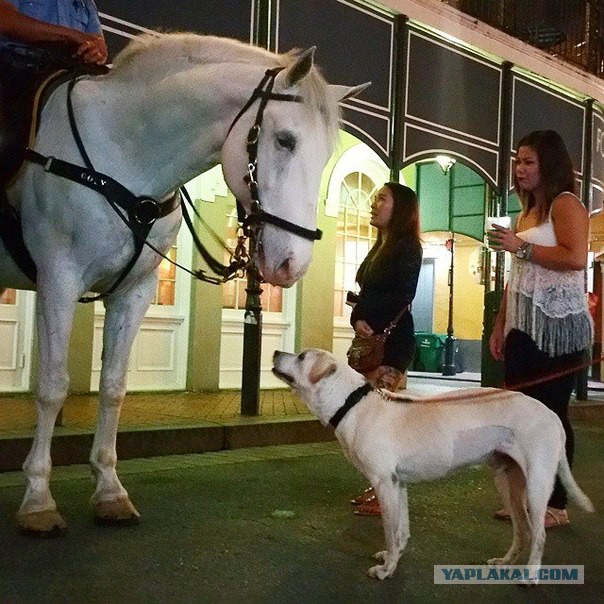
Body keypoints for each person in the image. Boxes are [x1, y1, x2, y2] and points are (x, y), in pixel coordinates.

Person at [487, 129, 593, 529]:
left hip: (558, 329)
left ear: (548, 165)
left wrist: (522, 247)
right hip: (523, 326)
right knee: (519, 413)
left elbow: (576, 257)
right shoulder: (526, 211)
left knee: (551, 414)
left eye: (528, 162)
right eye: (517, 161)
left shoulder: (566, 204)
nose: (519, 169)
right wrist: (500, 324)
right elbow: (517, 275)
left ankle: (556, 502)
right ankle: (524, 496)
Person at [347, 182, 423, 516]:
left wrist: (368, 317)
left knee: (381, 423)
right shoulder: (380, 246)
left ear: (400, 208)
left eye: (382, 199)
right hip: (373, 340)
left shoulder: (408, 247)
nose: (373, 203)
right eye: (375, 197)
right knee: (371, 420)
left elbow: (401, 296)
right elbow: (365, 296)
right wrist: (357, 318)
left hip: (392, 344)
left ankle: (388, 492)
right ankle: (379, 486)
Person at [0, 0, 107, 184]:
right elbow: (5, 19)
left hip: (66, 81)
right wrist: (71, 36)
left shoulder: (86, 3)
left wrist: (96, 51)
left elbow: (99, 44)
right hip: (16, 71)